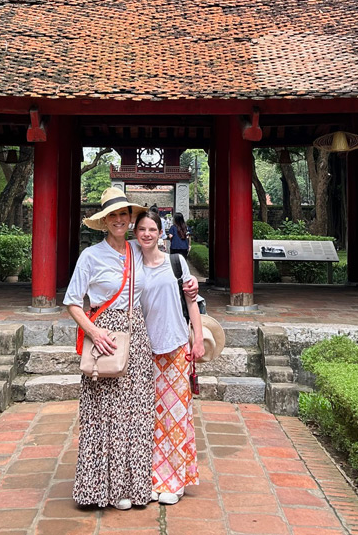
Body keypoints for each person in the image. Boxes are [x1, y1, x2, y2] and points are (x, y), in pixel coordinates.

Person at [64, 188, 154, 510]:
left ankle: (132, 485)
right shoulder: (91, 256)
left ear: (130, 218)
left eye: (123, 214)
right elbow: (72, 302)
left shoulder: (138, 250)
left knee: (136, 412)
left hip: (137, 335)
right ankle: (101, 488)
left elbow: (162, 275)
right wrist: (94, 331)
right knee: (105, 413)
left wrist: (190, 289)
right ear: (104, 221)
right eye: (112, 215)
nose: (118, 220)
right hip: (105, 338)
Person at [131, 210, 205, 505]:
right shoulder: (131, 263)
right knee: (148, 417)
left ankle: (174, 481)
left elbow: (192, 301)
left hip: (175, 347)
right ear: (135, 233)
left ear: (161, 232)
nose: (147, 234)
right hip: (143, 349)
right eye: (142, 229)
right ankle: (152, 478)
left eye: (152, 229)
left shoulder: (176, 263)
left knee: (175, 417)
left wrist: (198, 339)